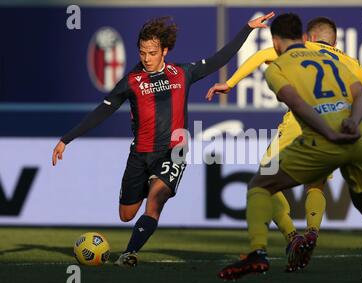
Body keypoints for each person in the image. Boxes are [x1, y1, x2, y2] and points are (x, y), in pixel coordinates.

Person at [217, 13, 362, 283]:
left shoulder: (279, 62)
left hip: (313, 131)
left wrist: (229, 83)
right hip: (353, 133)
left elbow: (282, 86)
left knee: (262, 184)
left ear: (301, 39)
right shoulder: (344, 60)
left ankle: (275, 245)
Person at [52, 12, 275, 267]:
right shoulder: (131, 82)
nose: (146, 58)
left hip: (173, 151)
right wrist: (67, 139)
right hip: (140, 154)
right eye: (142, 53)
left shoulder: (183, 73)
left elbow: (219, 59)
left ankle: (129, 254)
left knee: (155, 201)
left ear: (165, 51)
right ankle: (149, 183)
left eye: (152, 53)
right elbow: (103, 110)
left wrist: (247, 28)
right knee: (126, 216)